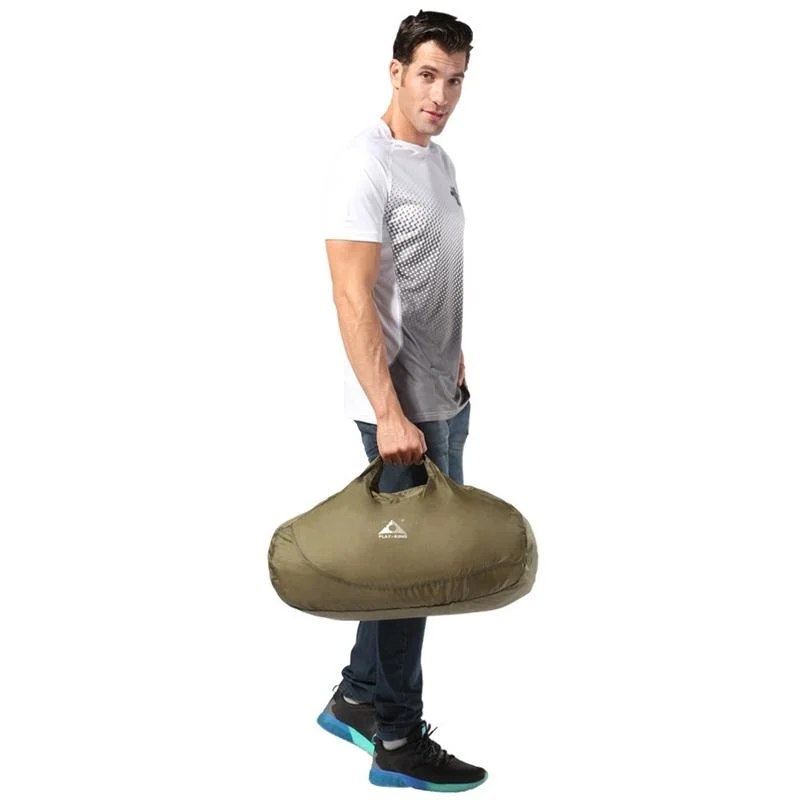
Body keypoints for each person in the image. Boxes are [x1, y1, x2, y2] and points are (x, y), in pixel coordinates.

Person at [318, 10, 485, 793]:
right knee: (411, 579)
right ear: (395, 72)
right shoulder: (366, 165)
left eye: (454, 79)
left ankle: (357, 693)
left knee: (406, 568)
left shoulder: (439, 161)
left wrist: (451, 356)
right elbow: (352, 297)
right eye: (427, 75)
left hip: (443, 397)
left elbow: (427, 270)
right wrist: (389, 412)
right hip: (400, 414)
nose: (440, 95)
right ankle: (395, 737)